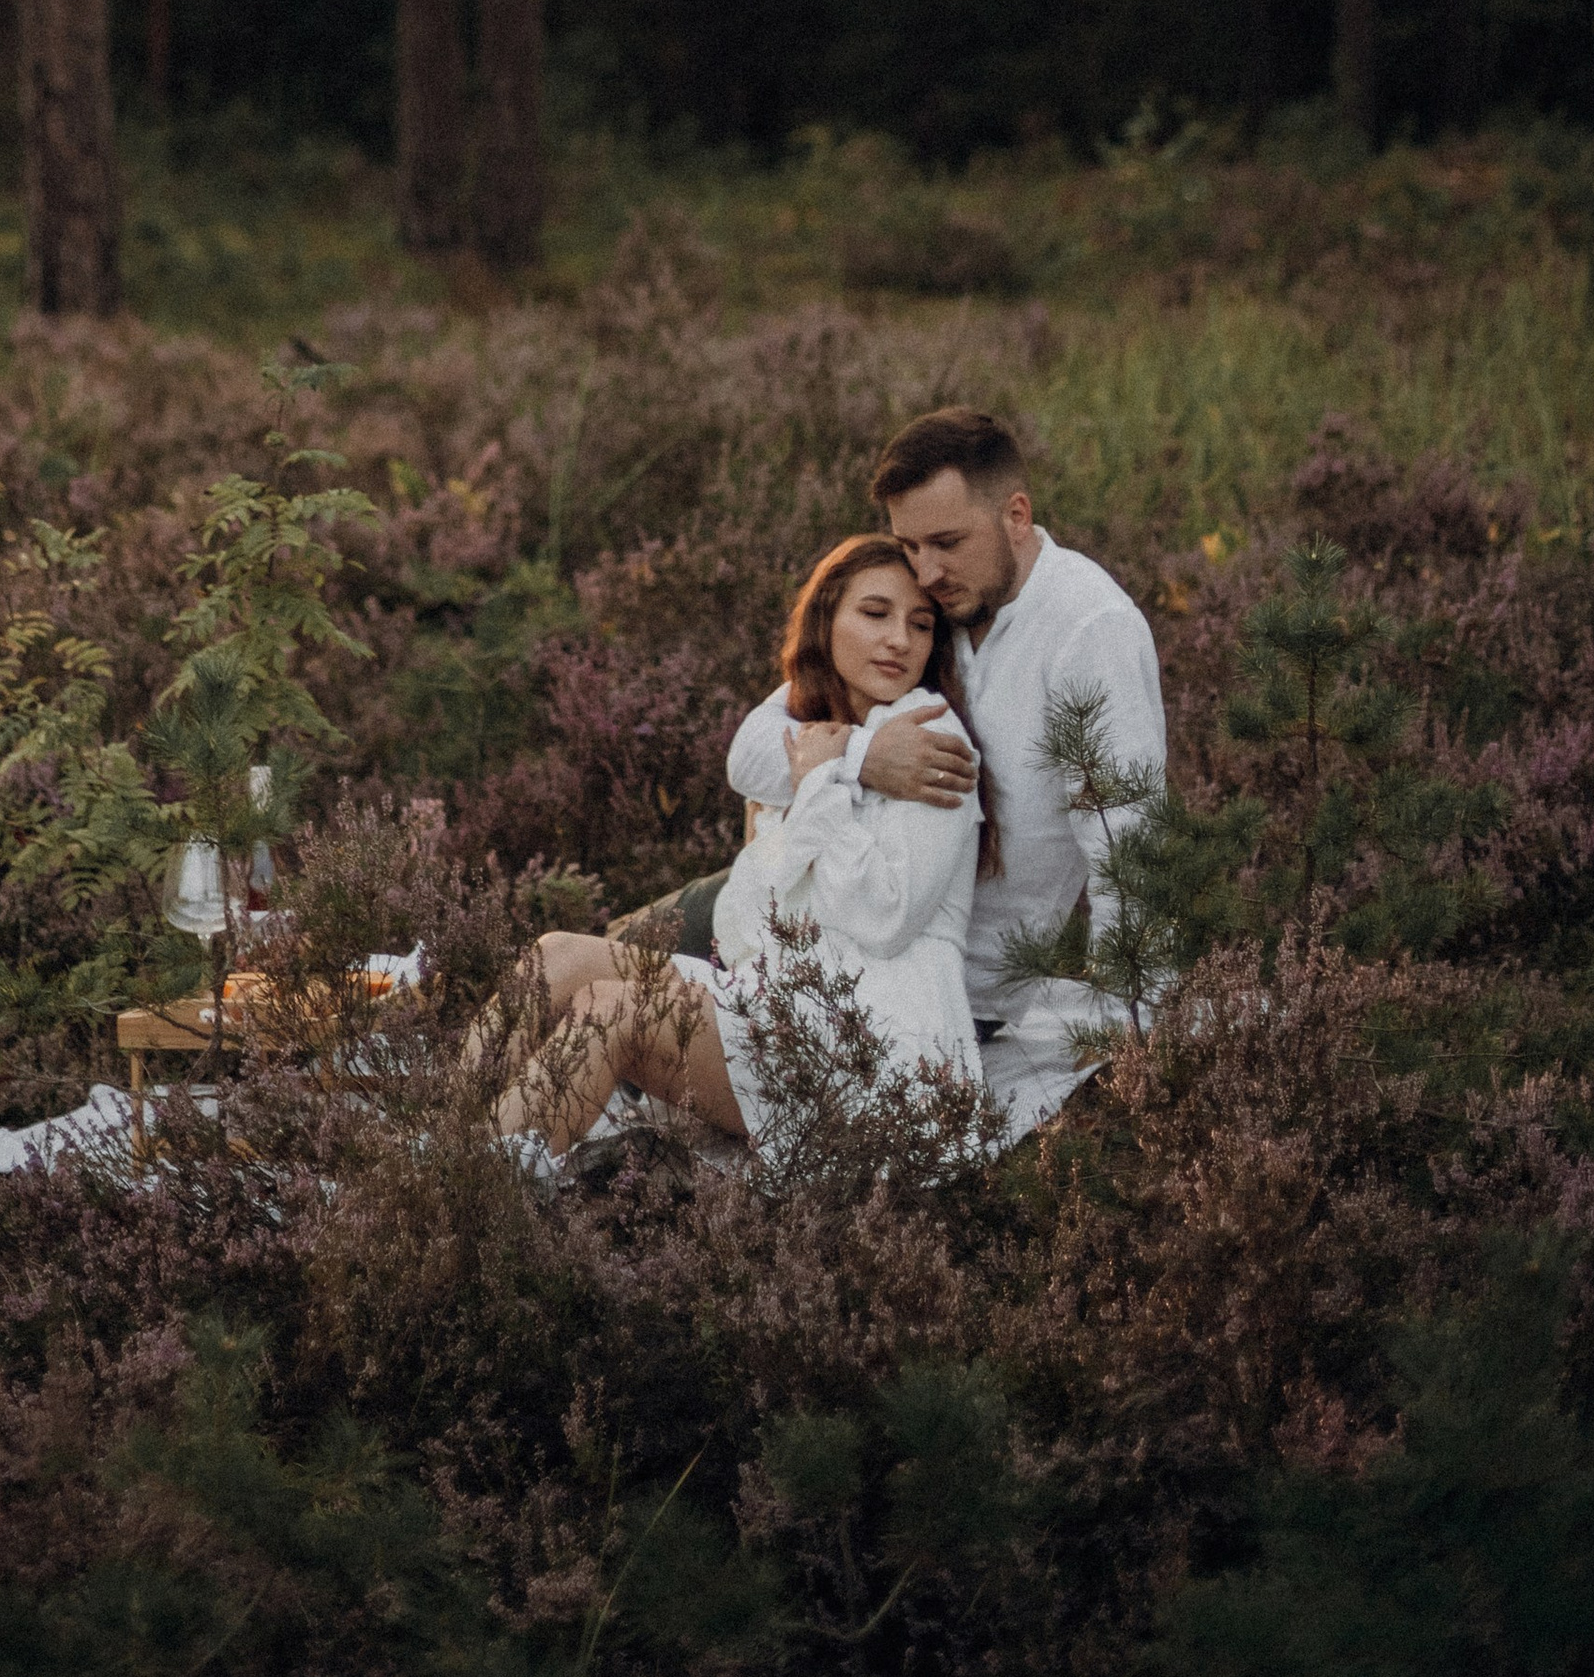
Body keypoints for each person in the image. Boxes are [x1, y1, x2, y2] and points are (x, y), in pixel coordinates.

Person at [725, 406, 1167, 1134]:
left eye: (947, 543)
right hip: (811, 907)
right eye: (909, 545)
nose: (924, 573)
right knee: (579, 968)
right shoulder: (932, 613)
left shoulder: (1090, 631)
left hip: (936, 988)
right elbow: (751, 750)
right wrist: (870, 759)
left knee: (613, 1005)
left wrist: (1140, 1048)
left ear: (1016, 516)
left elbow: (1131, 848)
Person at [469, 536, 983, 1157]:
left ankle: (469, 1188)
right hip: (788, 1000)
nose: (900, 639)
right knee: (558, 957)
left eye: (920, 624)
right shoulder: (812, 732)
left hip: (882, 1043)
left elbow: (884, 919)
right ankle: (426, 1144)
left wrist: (822, 781)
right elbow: (749, 912)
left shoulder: (933, 739)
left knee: (613, 1008)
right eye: (875, 614)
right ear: (826, 622)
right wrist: (846, 761)